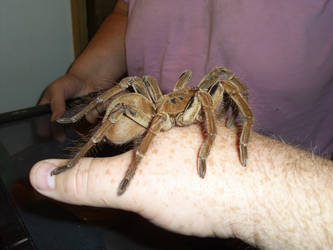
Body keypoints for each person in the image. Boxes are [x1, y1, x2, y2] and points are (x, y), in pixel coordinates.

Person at [31, 0, 333, 249]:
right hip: (145, 197)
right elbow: (125, 11)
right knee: (131, 92)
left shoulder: (201, 97)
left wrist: (227, 153)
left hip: (283, 218)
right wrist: (83, 78)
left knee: (220, 81)